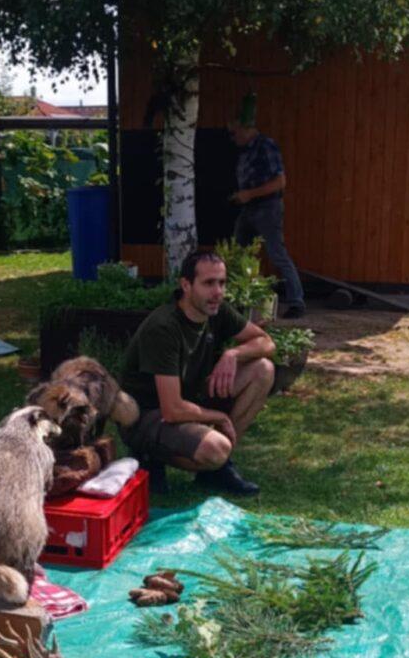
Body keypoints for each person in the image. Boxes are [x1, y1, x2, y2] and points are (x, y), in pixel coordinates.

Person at [117, 246, 275, 496]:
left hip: (189, 397)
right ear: (186, 285)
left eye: (222, 283)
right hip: (147, 415)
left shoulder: (216, 310)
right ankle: (149, 455)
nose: (218, 292)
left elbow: (267, 343)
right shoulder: (164, 327)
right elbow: (172, 409)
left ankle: (215, 470)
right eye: (209, 283)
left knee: (263, 369)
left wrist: (233, 354)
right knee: (215, 449)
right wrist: (219, 418)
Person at [228, 93, 306, 318]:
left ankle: (296, 301)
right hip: (249, 208)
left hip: (267, 207)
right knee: (239, 251)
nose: (232, 138)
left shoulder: (266, 146)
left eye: (234, 133)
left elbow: (280, 182)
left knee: (276, 253)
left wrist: (248, 194)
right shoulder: (245, 151)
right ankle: (241, 297)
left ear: (245, 129)